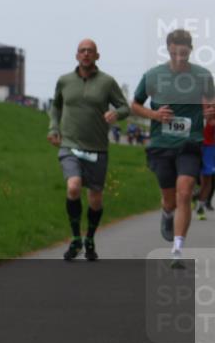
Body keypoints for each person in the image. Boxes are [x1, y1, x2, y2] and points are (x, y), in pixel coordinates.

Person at [131, 28, 215, 267]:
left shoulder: (203, 76)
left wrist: (211, 112)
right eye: (176, 52)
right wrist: (154, 115)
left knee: (185, 192)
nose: (180, 57)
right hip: (161, 145)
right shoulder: (153, 75)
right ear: (168, 49)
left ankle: (177, 250)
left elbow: (211, 106)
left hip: (190, 144)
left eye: (184, 53)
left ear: (190, 51)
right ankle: (167, 213)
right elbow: (135, 105)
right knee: (170, 201)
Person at [48, 39, 129, 261]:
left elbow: (125, 107)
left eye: (90, 51)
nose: (86, 54)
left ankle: (90, 238)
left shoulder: (107, 82)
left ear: (97, 56)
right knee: (73, 187)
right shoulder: (64, 81)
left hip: (97, 148)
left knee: (95, 198)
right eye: (82, 51)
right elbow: (55, 106)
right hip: (70, 145)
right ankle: (76, 239)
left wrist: (116, 113)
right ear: (76, 55)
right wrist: (53, 127)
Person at [198, 116, 214, 219]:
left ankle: (201, 206)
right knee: (190, 178)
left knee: (207, 179)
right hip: (196, 146)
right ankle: (192, 195)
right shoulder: (196, 112)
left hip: (210, 149)